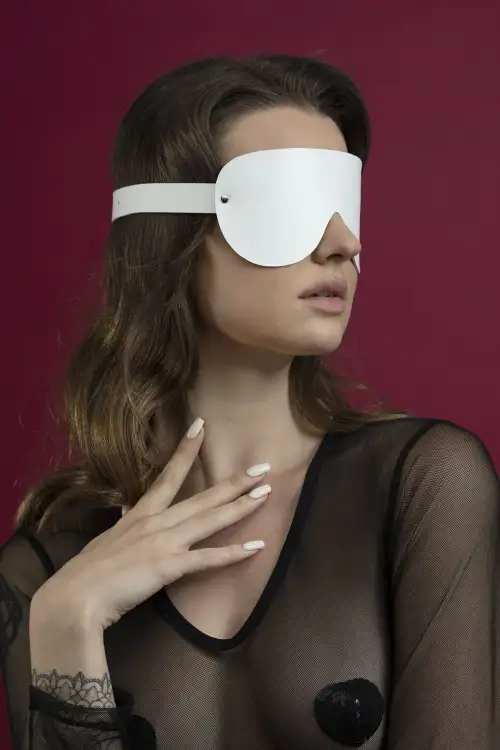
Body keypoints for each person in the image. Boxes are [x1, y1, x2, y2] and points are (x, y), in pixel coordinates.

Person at [0, 54, 498, 750]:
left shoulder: (424, 486)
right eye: (290, 205)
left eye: (345, 203)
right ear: (170, 236)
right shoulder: (49, 565)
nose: (344, 244)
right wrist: (66, 624)